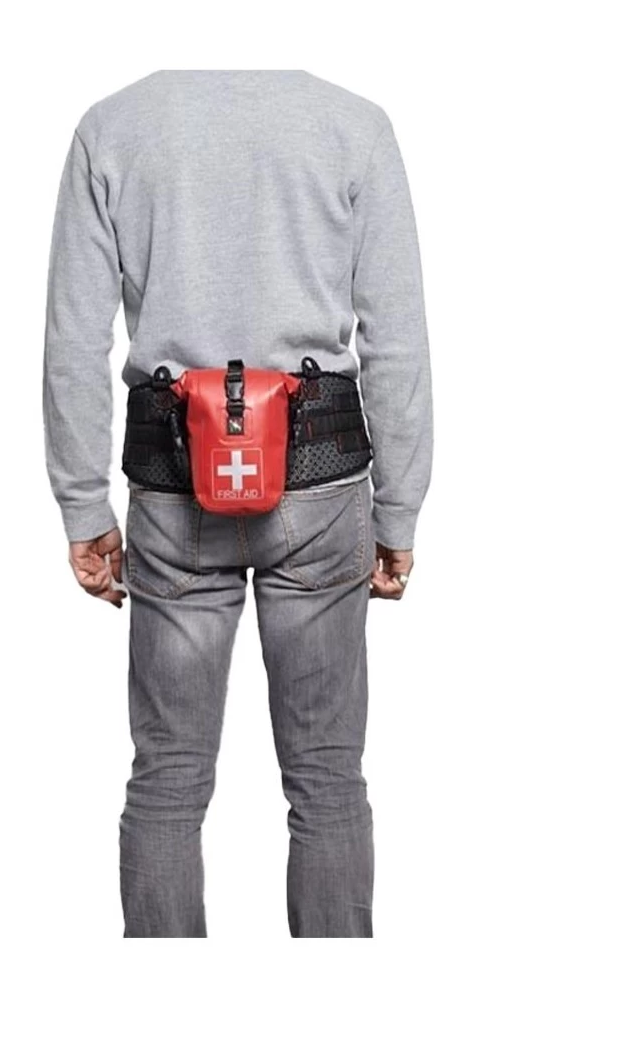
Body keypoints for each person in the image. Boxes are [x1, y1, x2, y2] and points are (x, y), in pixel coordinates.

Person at [43, 69, 433, 938]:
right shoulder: (354, 125)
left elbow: (74, 338)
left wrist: (83, 505)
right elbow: (398, 339)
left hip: (173, 488)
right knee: (327, 779)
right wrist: (400, 509)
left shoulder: (114, 127)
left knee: (168, 780)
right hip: (322, 488)